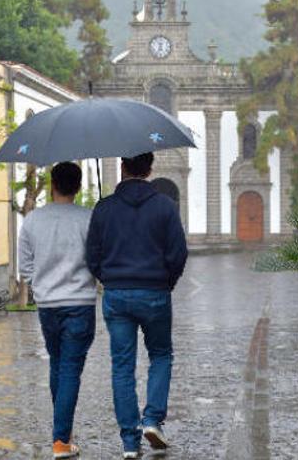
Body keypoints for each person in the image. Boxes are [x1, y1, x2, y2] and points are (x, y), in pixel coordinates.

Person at [86, 152, 188, 459]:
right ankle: (152, 419)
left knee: (122, 366)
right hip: (155, 293)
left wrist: (108, 278)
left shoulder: (104, 208)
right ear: (150, 169)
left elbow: (92, 255)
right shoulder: (165, 207)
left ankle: (130, 442)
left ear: (122, 167)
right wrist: (165, 281)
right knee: (160, 355)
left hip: (117, 296)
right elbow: (178, 253)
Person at [19, 162, 97, 459]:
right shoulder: (89, 219)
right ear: (78, 187)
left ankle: (63, 434)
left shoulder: (33, 220)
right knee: (69, 369)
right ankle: (61, 440)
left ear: (52, 184)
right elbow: (97, 260)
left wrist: (39, 288)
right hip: (79, 303)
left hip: (48, 305)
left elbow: (25, 265)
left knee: (58, 364)